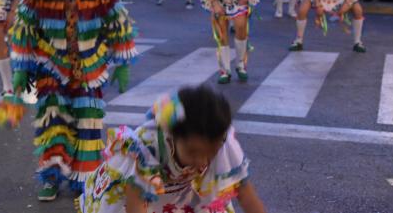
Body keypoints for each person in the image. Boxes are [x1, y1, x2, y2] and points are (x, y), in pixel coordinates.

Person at [0, 0, 137, 201]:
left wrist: (123, 60)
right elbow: (24, 28)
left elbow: (118, 21)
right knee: (53, 121)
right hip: (52, 65)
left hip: (89, 67)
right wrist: (21, 69)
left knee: (88, 121)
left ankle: (84, 178)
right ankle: (51, 175)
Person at [78, 85, 268, 213]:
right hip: (134, 196)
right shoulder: (146, 148)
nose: (202, 162)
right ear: (173, 136)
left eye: (210, 154)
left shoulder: (218, 138)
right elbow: (135, 206)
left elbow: (245, 193)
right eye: (193, 152)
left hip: (182, 191)